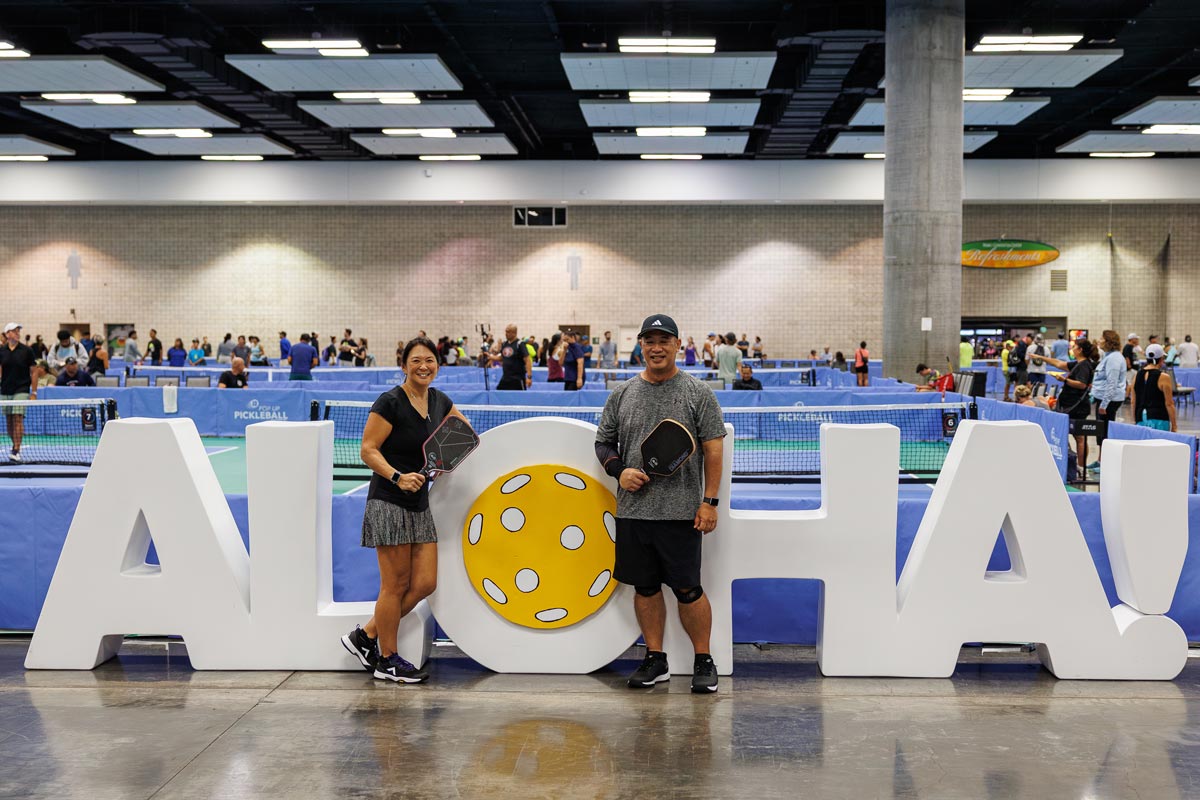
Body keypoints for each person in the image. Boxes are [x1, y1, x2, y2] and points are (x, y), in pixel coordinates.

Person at [594, 314, 726, 693]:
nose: (656, 347)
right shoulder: (621, 394)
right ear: (640, 345)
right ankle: (656, 659)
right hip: (633, 512)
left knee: (689, 589)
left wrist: (709, 501)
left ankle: (703, 659)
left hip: (682, 512)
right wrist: (619, 471)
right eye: (649, 341)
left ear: (677, 345)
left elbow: (713, 449)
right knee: (646, 589)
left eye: (663, 341)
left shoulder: (698, 393)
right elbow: (603, 442)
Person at [340, 336, 471, 683]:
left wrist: (445, 459)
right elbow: (368, 450)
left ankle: (365, 635)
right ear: (404, 365)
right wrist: (397, 477)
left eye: (429, 360)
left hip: (419, 503)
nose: (423, 366)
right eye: (416, 361)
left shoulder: (440, 401)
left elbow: (465, 433)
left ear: (438, 365)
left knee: (425, 582)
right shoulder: (390, 402)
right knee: (394, 586)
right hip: (389, 500)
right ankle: (387, 659)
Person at [1045, 338, 1097, 477]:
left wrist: (1064, 380)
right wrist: (1040, 357)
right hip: (1068, 405)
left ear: (1080, 349)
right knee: (1073, 436)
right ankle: (1073, 465)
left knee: (1079, 437)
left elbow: (1082, 384)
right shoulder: (1077, 364)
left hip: (1077, 407)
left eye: (1074, 347)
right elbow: (1058, 363)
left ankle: (1081, 467)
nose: (1072, 349)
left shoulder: (1084, 365)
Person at [1089, 329, 1128, 473]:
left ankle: (1105, 462)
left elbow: (1112, 382)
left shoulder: (1114, 359)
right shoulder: (1108, 356)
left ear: (1109, 341)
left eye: (1101, 338)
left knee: (1105, 431)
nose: (1099, 340)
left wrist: (1104, 404)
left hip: (1109, 400)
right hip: (1103, 398)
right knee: (1100, 430)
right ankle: (1100, 460)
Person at [0, 323, 37, 462]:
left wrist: (34, 392)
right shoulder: (2, 351)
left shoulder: (27, 351)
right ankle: (14, 446)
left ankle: (16, 449)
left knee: (17, 418)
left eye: (18, 331)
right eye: (14, 331)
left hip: (21, 389)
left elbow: (34, 372)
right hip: (5, 389)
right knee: (9, 421)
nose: (17, 333)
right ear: (7, 334)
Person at [1131, 343, 1176, 432]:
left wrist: (1135, 420)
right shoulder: (1164, 377)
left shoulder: (1137, 375)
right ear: (1161, 359)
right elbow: (1169, 403)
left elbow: (1133, 401)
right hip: (1159, 418)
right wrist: (1174, 425)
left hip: (1140, 418)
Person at [489, 324, 531, 390]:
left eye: (508, 332)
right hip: (505, 378)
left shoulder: (520, 344)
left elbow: (527, 360)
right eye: (506, 332)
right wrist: (491, 357)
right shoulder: (504, 344)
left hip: (518, 379)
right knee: (498, 395)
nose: (506, 334)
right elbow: (502, 358)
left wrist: (529, 377)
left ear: (514, 333)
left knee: (519, 398)